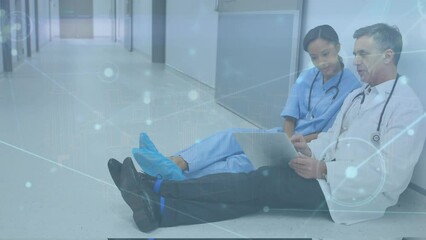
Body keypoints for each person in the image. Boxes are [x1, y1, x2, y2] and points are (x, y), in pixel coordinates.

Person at [109, 23, 426, 233]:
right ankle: (159, 208)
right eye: (355, 53)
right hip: (327, 171)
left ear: (388, 55)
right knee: (254, 191)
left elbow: (393, 178)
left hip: (354, 196)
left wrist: (324, 171)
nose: (356, 60)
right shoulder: (360, 95)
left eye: (363, 53)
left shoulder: (407, 107)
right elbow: (334, 137)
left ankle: (157, 187)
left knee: (262, 181)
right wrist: (305, 149)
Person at [130, 25, 361, 180]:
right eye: (314, 57)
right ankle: (173, 161)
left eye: (326, 53)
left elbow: (334, 133)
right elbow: (289, 116)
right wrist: (286, 138)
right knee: (231, 135)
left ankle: (170, 173)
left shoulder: (352, 88)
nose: (321, 62)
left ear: (338, 47)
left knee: (241, 161)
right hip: (285, 138)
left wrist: (297, 143)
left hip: (310, 148)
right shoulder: (306, 78)